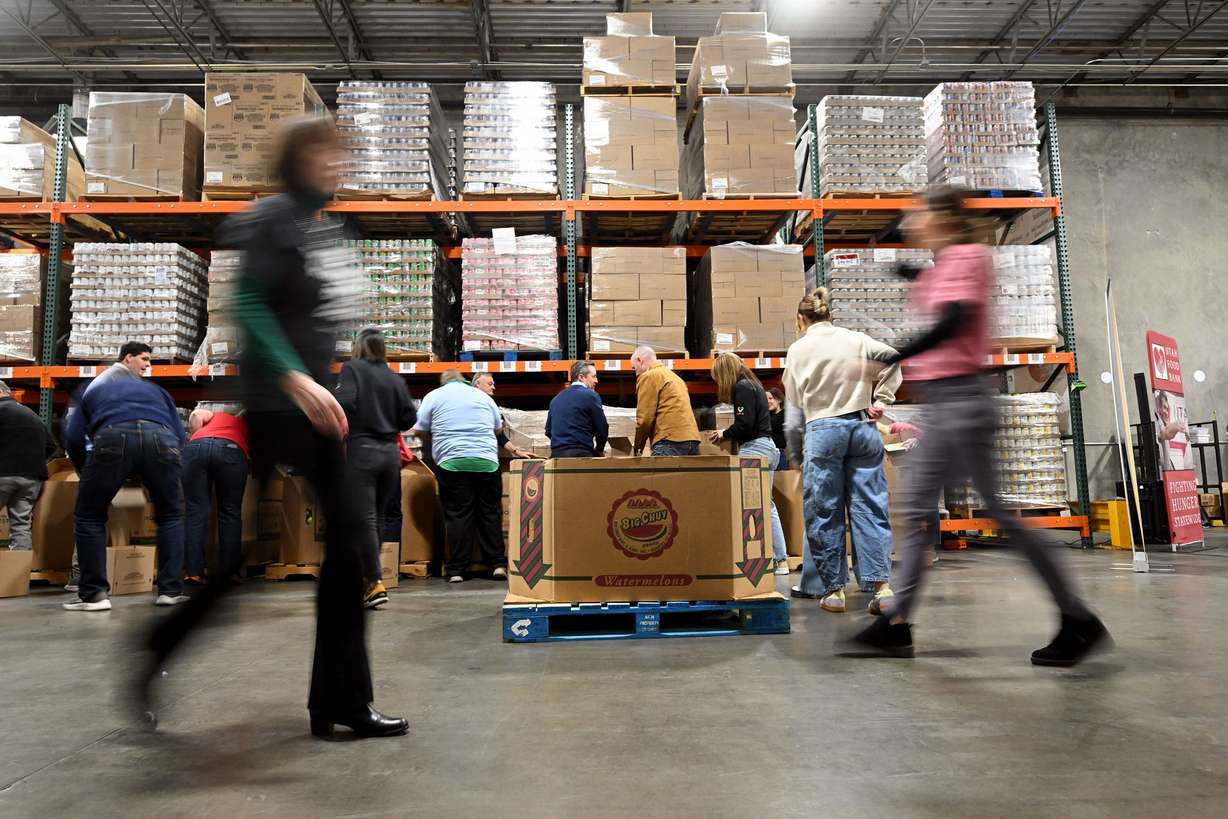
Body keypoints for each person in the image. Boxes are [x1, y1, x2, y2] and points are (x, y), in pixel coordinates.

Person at [142, 115, 407, 739]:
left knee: (327, 556)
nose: (335, 164)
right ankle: (337, 700)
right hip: (278, 403)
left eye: (340, 154)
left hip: (312, 406)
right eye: (323, 152)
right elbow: (250, 304)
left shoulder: (326, 230)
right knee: (332, 551)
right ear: (296, 159)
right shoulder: (272, 221)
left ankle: (337, 701)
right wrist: (295, 376)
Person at [845, 185, 1110, 666]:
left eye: (919, 213)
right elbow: (935, 291)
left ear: (943, 218)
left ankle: (1078, 620)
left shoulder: (967, 257)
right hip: (947, 402)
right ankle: (897, 622)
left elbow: (954, 320)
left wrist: (890, 356)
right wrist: (900, 269)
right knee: (918, 508)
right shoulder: (945, 264)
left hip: (960, 402)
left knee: (980, 515)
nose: (911, 220)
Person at [783, 288, 901, 615]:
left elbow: (794, 408)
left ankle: (835, 592)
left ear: (801, 319)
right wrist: (881, 400)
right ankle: (882, 588)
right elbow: (892, 357)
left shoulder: (798, 349)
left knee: (824, 511)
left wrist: (797, 454)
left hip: (823, 429)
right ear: (829, 315)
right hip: (863, 425)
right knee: (870, 506)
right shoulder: (856, 339)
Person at [62, 358, 188, 611]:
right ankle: (170, 591)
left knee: (89, 517)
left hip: (112, 436)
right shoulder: (156, 390)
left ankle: (95, 595)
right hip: (163, 439)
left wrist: (86, 473)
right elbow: (180, 434)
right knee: (171, 515)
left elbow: (74, 437)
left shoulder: (92, 389)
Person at [336, 328, 417, 610]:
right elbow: (409, 418)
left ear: (359, 346)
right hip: (389, 456)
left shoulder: (352, 369)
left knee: (366, 519)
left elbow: (345, 401)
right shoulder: (394, 377)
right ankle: (369, 581)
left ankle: (373, 582)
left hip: (363, 452)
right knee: (380, 518)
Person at [412, 370, 506, 584]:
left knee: (458, 515)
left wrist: (435, 436)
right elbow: (497, 429)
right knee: (489, 513)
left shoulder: (434, 396)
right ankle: (498, 564)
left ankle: (457, 569)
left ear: (443, 381)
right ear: (463, 379)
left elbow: (419, 429)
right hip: (486, 462)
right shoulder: (482, 397)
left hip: (452, 462)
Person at [706, 354, 789, 576]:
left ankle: (766, 559)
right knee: (766, 505)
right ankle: (779, 560)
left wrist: (724, 433)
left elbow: (744, 424)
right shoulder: (755, 384)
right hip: (768, 448)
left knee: (754, 506)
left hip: (755, 449)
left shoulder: (742, 387)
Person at [181, 407, 250, 586]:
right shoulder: (243, 423)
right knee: (230, 512)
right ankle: (229, 573)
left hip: (195, 448)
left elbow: (196, 415)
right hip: (232, 449)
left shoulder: (211, 415)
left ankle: (193, 572)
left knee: (196, 512)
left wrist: (198, 437)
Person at [0, 380, 55, 551]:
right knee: (21, 526)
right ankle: (19, 575)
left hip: (3, 474)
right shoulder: (32, 415)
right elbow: (51, 446)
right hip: (31, 479)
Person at [630, 346, 701, 456]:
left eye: (634, 368)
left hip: (669, 441)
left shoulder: (649, 376)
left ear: (640, 360)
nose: (636, 373)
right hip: (692, 441)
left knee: (660, 474)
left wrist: (638, 448)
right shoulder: (675, 378)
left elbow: (645, 419)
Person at [545, 360, 608, 457]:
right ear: (581, 377)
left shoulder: (556, 399)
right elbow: (602, 429)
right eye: (594, 376)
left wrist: (562, 444)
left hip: (556, 456)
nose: (596, 380)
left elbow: (549, 431)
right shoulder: (591, 396)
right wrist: (599, 450)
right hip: (581, 455)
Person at [472, 372, 535, 459]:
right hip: (478, 455)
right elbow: (498, 431)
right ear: (478, 384)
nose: (493, 387)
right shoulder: (486, 404)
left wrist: (517, 451)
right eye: (490, 384)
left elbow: (499, 435)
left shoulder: (489, 405)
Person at [767, 386, 787, 467]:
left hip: (779, 454)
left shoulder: (784, 414)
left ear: (779, 400)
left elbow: (772, 424)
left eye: (770, 398)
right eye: (765, 399)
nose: (768, 401)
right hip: (766, 453)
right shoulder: (767, 416)